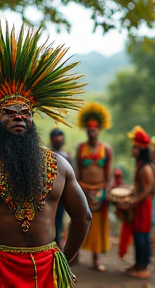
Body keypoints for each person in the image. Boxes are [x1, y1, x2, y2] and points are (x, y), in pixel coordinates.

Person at [0, 21, 92, 288]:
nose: (19, 117)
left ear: (33, 120)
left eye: (25, 113)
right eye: (10, 112)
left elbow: (84, 216)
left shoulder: (59, 165)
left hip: (48, 269)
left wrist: (64, 263)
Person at [75, 102, 113, 271]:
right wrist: (79, 190)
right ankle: (74, 256)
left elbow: (109, 174)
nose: (92, 130)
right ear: (86, 129)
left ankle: (96, 259)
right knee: (79, 221)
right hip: (83, 190)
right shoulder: (80, 148)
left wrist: (107, 191)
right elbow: (77, 172)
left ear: (99, 129)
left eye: (95, 127)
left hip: (100, 192)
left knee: (97, 226)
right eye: (89, 127)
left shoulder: (106, 149)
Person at [118, 126, 154, 279]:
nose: (132, 150)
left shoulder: (145, 168)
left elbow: (147, 190)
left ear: (141, 149)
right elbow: (140, 187)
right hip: (140, 204)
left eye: (134, 147)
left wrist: (132, 202)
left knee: (142, 236)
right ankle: (138, 264)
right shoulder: (140, 165)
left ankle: (143, 267)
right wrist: (128, 188)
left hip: (143, 205)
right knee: (138, 235)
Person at [49, 128, 72, 248]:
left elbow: (71, 178)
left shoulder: (66, 156)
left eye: (60, 139)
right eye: (56, 139)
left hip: (61, 195)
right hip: (48, 193)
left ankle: (58, 241)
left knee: (59, 218)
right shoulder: (46, 155)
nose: (58, 141)